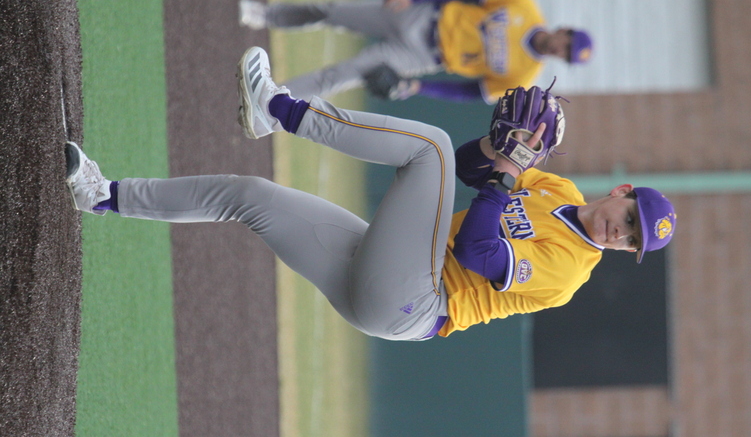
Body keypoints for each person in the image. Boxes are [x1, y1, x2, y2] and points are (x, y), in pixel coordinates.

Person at [65, 46, 674, 341]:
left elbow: (477, 253)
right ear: (621, 192)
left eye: (631, 241)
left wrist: (509, 171)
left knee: (429, 146)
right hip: (382, 271)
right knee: (247, 194)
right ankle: (100, 195)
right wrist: (497, 151)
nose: (621, 234)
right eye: (630, 219)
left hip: (416, 302)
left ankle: (280, 109)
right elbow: (470, 173)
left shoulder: (568, 273)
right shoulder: (558, 187)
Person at [238, 0, 593, 103]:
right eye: (567, 44)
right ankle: (266, 15)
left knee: (339, 76)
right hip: (421, 16)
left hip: (421, 56)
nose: (560, 50)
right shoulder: (524, 7)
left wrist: (420, 86)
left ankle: (270, 98)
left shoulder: (525, 75)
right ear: (564, 30)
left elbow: (471, 92)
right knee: (332, 11)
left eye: (566, 56)